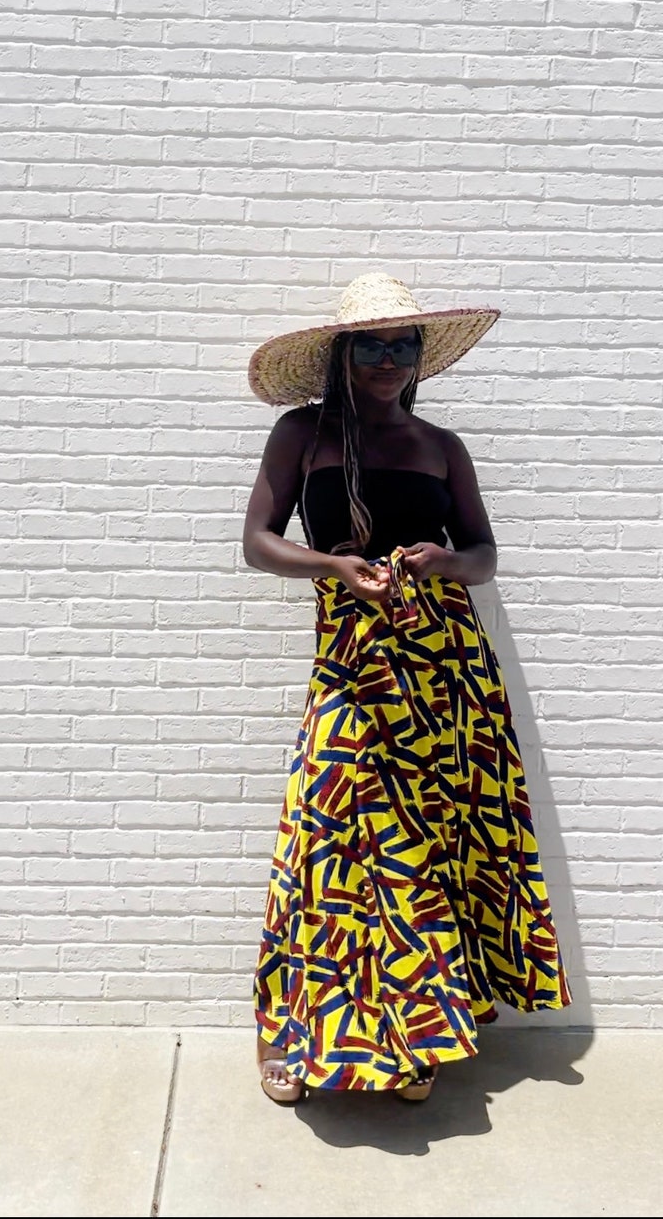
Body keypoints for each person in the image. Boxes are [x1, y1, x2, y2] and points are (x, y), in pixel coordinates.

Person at [242, 272, 571, 1106]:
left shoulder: (440, 447)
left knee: (421, 852)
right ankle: (291, 1030)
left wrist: (439, 559)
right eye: (371, 346)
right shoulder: (301, 434)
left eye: (402, 346)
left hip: (445, 668)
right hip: (355, 662)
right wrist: (332, 567)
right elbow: (257, 543)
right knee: (323, 843)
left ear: (420, 358)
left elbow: (483, 556)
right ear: (341, 355)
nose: (388, 361)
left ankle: (411, 1034)